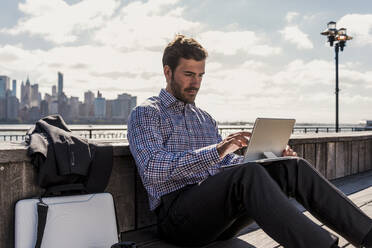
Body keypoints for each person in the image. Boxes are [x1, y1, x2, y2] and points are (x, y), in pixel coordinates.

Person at [127, 34, 372, 248]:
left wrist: (266, 156)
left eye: (201, 75)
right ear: (167, 72)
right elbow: (152, 169)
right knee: (248, 175)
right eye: (188, 74)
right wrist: (220, 149)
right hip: (178, 220)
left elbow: (223, 166)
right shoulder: (147, 113)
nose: (196, 83)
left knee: (289, 167)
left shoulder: (204, 118)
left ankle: (368, 236)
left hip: (219, 218)